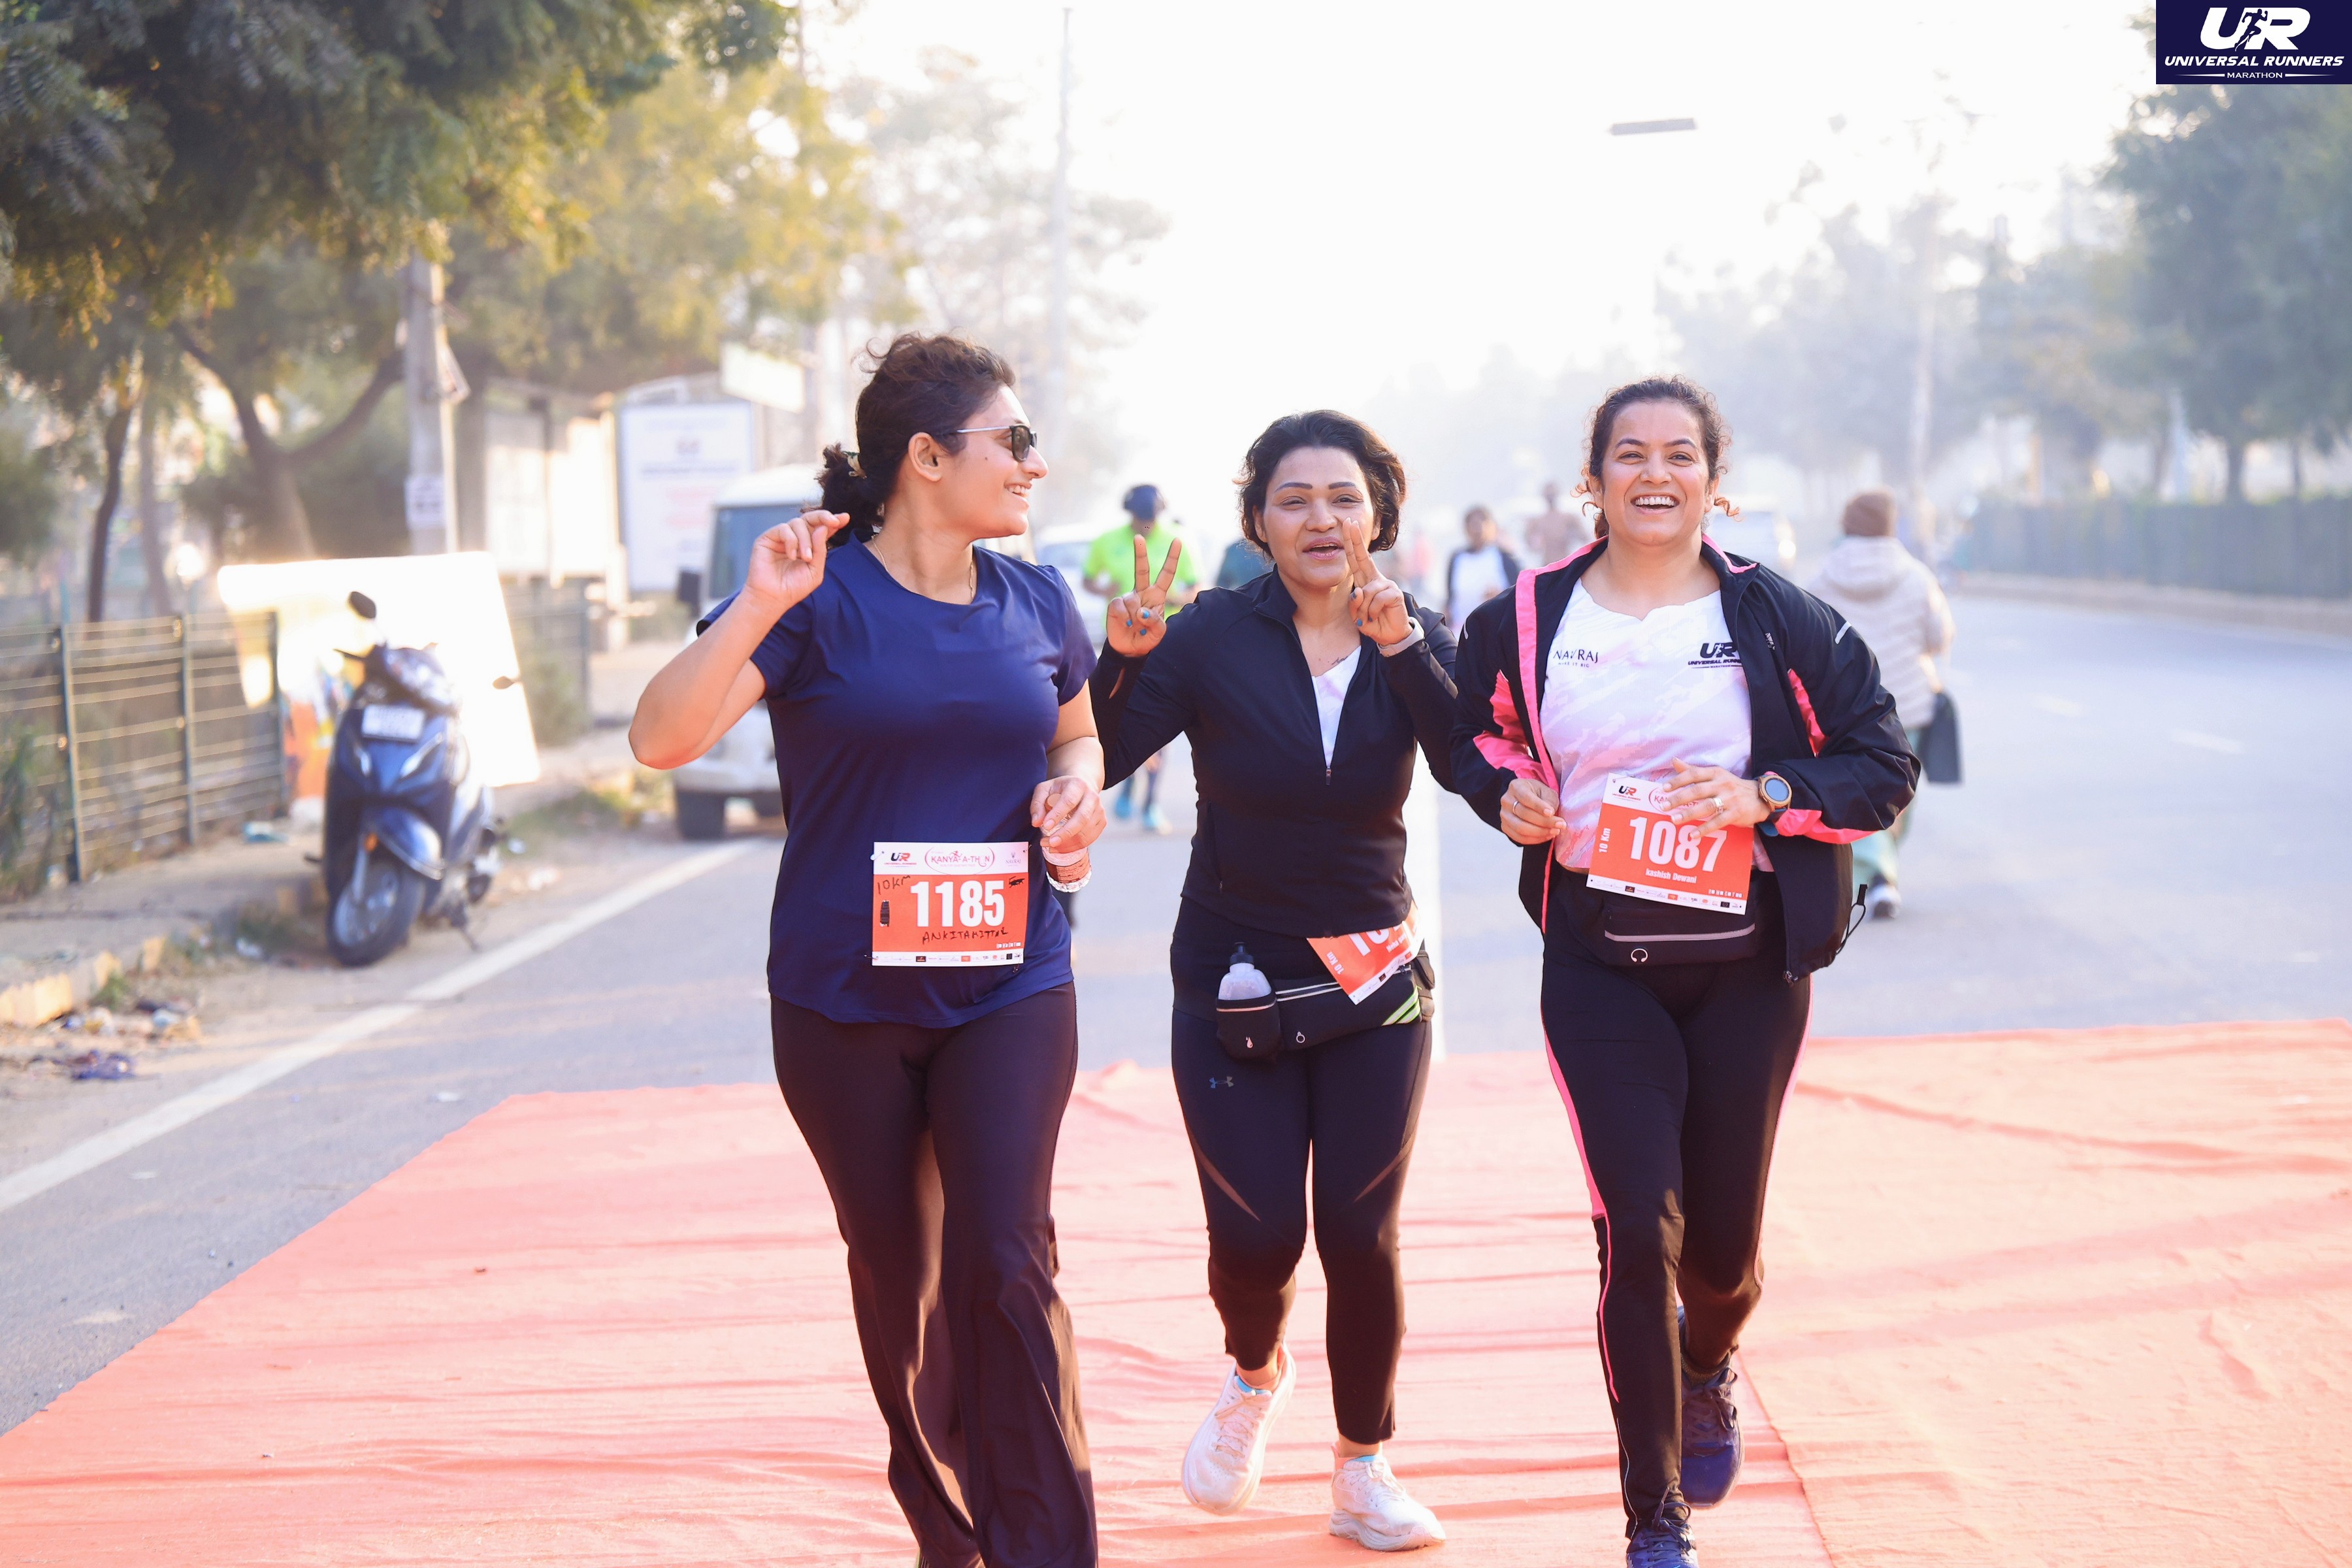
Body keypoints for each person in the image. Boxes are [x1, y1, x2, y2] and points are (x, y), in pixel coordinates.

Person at [629, 333, 1107, 1568]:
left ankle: (1046, 1547)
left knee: (1009, 1259)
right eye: (1014, 441)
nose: (1034, 464)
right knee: (903, 1279)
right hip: (845, 1000)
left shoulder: (1039, 601)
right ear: (927, 458)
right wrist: (756, 605)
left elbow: (1075, 732)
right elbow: (662, 739)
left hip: (1012, 982)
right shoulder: (817, 599)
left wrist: (1080, 790)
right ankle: (950, 1529)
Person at [1448, 377, 1914, 1568]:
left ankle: (1710, 1361)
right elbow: (1471, 733)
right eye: (1630, 453)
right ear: (1593, 478)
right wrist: (1509, 790)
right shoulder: (1526, 616)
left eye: (1679, 454)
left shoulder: (1780, 617)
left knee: (1720, 1262)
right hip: (1600, 966)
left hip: (1749, 968)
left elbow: (1883, 765)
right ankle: (1654, 1523)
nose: (1654, 473)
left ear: (1715, 480)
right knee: (1635, 1233)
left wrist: (1769, 795)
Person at [1092, 410, 1459, 1554]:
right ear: (1258, 521)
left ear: (1378, 515)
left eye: (1344, 498)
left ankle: (1363, 1467)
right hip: (1234, 982)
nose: (1321, 519)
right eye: (1294, 499)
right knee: (1256, 1241)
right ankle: (1255, 1374)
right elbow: (1103, 755)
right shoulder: (1211, 633)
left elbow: (1468, 765)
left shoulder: (1414, 632)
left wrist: (1407, 652)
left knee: (1360, 1235)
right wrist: (1124, 659)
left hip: (1374, 985)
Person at [1808, 488, 1953, 919]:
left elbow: (1807, 643)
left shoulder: (1822, 578)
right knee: (1899, 795)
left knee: (1861, 792)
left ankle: (1875, 874)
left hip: (1845, 710)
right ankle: (1882, 877)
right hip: (1908, 705)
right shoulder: (1917, 577)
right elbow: (1939, 636)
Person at [1085, 483, 1199, 834]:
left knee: (1157, 724)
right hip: (1122, 644)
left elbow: (1195, 586)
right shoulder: (1107, 541)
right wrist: (1107, 589)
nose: (1146, 526)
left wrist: (1177, 597)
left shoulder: (1178, 541)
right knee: (1120, 715)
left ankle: (1149, 801)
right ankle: (1127, 781)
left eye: (1151, 519)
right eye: (1140, 519)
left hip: (1167, 644)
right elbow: (1089, 579)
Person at [1443, 504, 1519, 630]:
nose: (1478, 528)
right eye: (1473, 523)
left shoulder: (1504, 557)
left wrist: (1500, 596)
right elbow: (1450, 597)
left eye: (1482, 522)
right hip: (1461, 630)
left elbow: (1519, 593)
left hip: (1496, 628)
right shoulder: (1457, 559)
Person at [1522, 480, 1592, 565]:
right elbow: (1529, 545)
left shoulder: (1568, 519)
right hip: (1550, 564)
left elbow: (1585, 537)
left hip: (1564, 563)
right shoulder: (1537, 521)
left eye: (1552, 494)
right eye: (1549, 494)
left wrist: (1571, 535)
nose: (1550, 496)